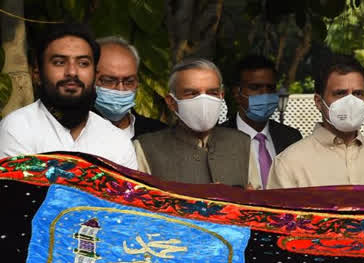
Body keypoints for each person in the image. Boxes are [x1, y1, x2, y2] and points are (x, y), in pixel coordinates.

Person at [0, 24, 137, 169]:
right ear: (37, 74)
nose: (72, 72)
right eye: (59, 62)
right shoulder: (17, 129)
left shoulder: (117, 142)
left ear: (95, 76)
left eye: (83, 63)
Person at [267, 54, 364, 188]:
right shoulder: (289, 163)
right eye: (340, 93)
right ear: (319, 102)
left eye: (357, 93)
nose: (350, 102)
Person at [134, 58, 256, 188]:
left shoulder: (242, 143)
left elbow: (257, 201)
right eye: (191, 93)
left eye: (212, 93)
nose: (203, 100)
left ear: (221, 96)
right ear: (171, 102)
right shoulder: (146, 148)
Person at [227, 54, 302, 189]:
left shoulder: (291, 138)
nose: (265, 94)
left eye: (270, 88)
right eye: (255, 88)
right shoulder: (219, 138)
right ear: (236, 93)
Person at [93, 36, 166, 139]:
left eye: (129, 81)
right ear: (89, 80)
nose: (120, 89)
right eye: (108, 81)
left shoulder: (159, 134)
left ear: (137, 84)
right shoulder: (71, 134)